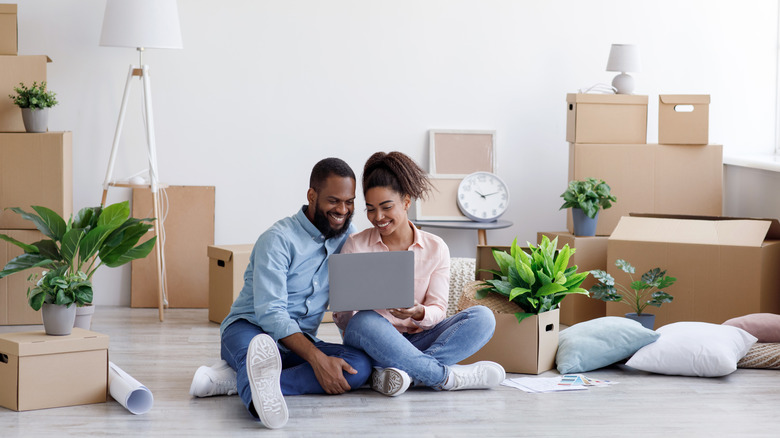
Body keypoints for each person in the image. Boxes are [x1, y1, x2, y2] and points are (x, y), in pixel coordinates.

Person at [190, 157, 372, 429]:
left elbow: (356, 295)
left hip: (299, 340)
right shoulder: (277, 240)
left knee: (359, 366)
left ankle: (245, 380)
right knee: (257, 350)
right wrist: (317, 360)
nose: (343, 210)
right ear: (312, 195)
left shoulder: (348, 237)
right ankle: (256, 394)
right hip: (250, 328)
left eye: (349, 202)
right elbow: (271, 314)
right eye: (334, 201)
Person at [333, 151, 505, 397]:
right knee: (364, 321)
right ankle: (445, 377)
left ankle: (403, 375)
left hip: (421, 339)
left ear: (406, 201)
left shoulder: (436, 247)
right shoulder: (355, 245)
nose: (378, 217)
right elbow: (347, 325)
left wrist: (418, 312)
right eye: (370, 209)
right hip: (375, 344)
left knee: (483, 317)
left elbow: (438, 310)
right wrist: (345, 307)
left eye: (386, 207)